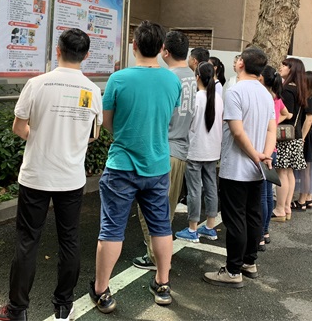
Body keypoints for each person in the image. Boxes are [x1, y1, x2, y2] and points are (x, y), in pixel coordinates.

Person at [0, 29, 102, 321]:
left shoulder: (37, 84)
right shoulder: (92, 91)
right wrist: (68, 143)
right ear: (86, 56)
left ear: (58, 51)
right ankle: (63, 305)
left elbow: (18, 127)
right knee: (70, 239)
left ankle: (17, 310)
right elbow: (93, 134)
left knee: (27, 241)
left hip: (36, 175)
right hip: (71, 178)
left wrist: (41, 140)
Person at [91, 21, 182, 313]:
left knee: (111, 230)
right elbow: (168, 118)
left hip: (122, 164)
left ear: (134, 46)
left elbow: (106, 121)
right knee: (161, 227)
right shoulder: (173, 81)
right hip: (158, 165)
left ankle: (101, 291)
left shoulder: (119, 79)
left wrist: (123, 134)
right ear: (161, 49)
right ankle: (163, 284)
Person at [203, 47, 276, 288]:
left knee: (235, 220)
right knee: (253, 215)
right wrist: (265, 155)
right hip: (258, 169)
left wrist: (255, 155)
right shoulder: (266, 93)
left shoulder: (235, 91)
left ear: (242, 64)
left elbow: (236, 131)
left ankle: (233, 271)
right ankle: (249, 262)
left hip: (236, 167)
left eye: (237, 60)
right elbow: (271, 129)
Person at [133, 30, 196, 269]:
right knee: (165, 210)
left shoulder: (168, 78)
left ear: (165, 51)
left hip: (162, 149)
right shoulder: (192, 77)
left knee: (150, 209)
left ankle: (155, 259)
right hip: (181, 149)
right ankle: (161, 257)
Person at [175, 61, 223, 242]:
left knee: (194, 190)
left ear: (197, 77)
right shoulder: (218, 98)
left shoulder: (195, 99)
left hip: (195, 150)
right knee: (211, 187)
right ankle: (210, 226)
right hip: (213, 150)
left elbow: (188, 124)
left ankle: (192, 229)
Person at [257, 65, 291, 251]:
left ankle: (260, 236)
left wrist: (270, 124)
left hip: (263, 150)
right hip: (273, 148)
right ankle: (265, 231)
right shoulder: (276, 98)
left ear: (262, 78)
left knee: (262, 194)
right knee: (268, 193)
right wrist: (275, 123)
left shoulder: (264, 98)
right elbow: (287, 113)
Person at [272, 57, 307, 221]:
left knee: (282, 172)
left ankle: (280, 208)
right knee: (289, 172)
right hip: (296, 135)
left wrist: (272, 124)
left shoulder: (287, 89)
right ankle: (286, 207)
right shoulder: (300, 89)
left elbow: (288, 114)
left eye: (285, 65)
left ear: (292, 70)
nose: (281, 67)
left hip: (285, 136)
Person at [293, 71, 312, 210]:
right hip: (311, 135)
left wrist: (302, 138)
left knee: (305, 169)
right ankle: (308, 198)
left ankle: (301, 201)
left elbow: (309, 120)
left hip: (307, 135)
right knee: (308, 169)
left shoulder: (311, 99)